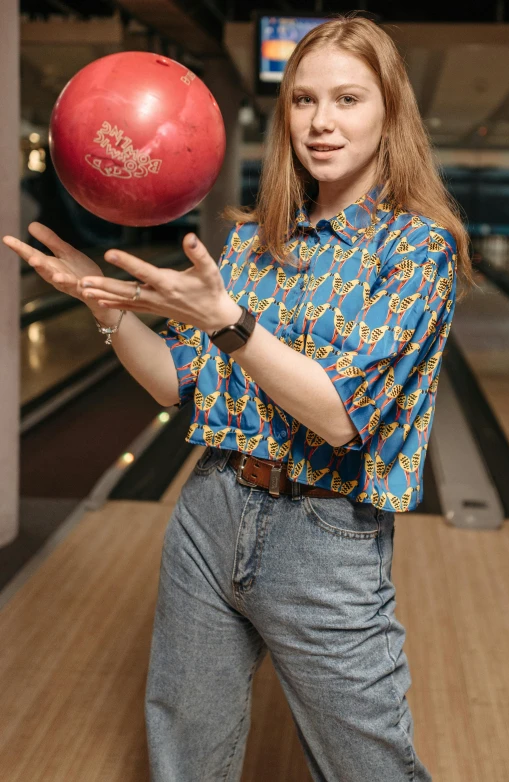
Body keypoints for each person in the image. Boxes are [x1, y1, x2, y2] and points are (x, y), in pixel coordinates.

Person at [4, 13, 472, 782]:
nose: (321, 122)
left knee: (370, 767)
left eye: (348, 99)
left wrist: (226, 319)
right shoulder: (255, 242)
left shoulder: (415, 249)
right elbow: (173, 381)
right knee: (184, 755)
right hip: (210, 511)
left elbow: (336, 414)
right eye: (304, 100)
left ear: (390, 111)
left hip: (324, 539)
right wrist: (103, 300)